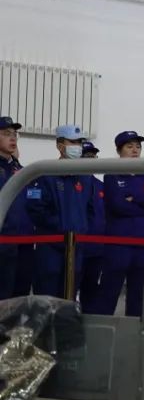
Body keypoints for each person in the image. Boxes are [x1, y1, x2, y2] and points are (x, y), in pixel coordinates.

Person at [92, 131, 144, 317]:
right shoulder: (112, 175)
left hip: (142, 244)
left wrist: (134, 198)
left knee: (138, 293)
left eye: (138, 147)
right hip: (118, 244)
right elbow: (118, 205)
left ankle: (134, 331)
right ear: (119, 150)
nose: (135, 150)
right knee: (109, 291)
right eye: (129, 146)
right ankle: (103, 328)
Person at [24, 125, 96, 298]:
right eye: (72, 142)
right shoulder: (44, 175)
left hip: (76, 248)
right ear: (60, 146)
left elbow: (90, 210)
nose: (77, 146)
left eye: (79, 142)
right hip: (50, 249)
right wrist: (62, 228)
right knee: (47, 299)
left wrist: (81, 231)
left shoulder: (86, 178)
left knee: (69, 298)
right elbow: (35, 209)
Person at [0, 116, 32, 300]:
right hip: (3, 241)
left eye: (14, 134)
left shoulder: (21, 169)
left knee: (21, 294)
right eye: (6, 133)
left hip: (24, 241)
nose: (12, 138)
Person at [78, 141, 107, 309]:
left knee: (91, 292)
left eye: (93, 156)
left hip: (97, 250)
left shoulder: (101, 186)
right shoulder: (72, 182)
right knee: (69, 290)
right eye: (87, 156)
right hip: (76, 248)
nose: (91, 159)